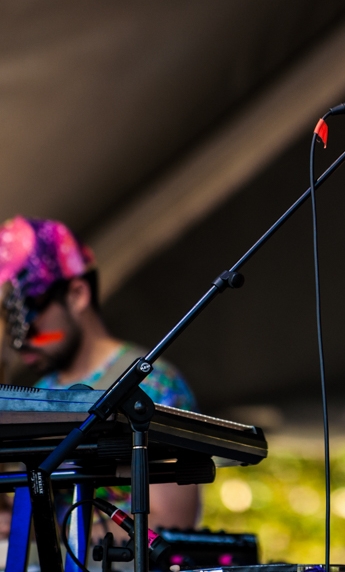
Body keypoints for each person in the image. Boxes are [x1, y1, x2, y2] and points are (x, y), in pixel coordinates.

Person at [0, 216, 200, 529]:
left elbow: (171, 524)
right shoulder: (39, 393)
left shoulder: (152, 383)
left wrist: (41, 537)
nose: (19, 340)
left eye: (27, 319)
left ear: (77, 294)